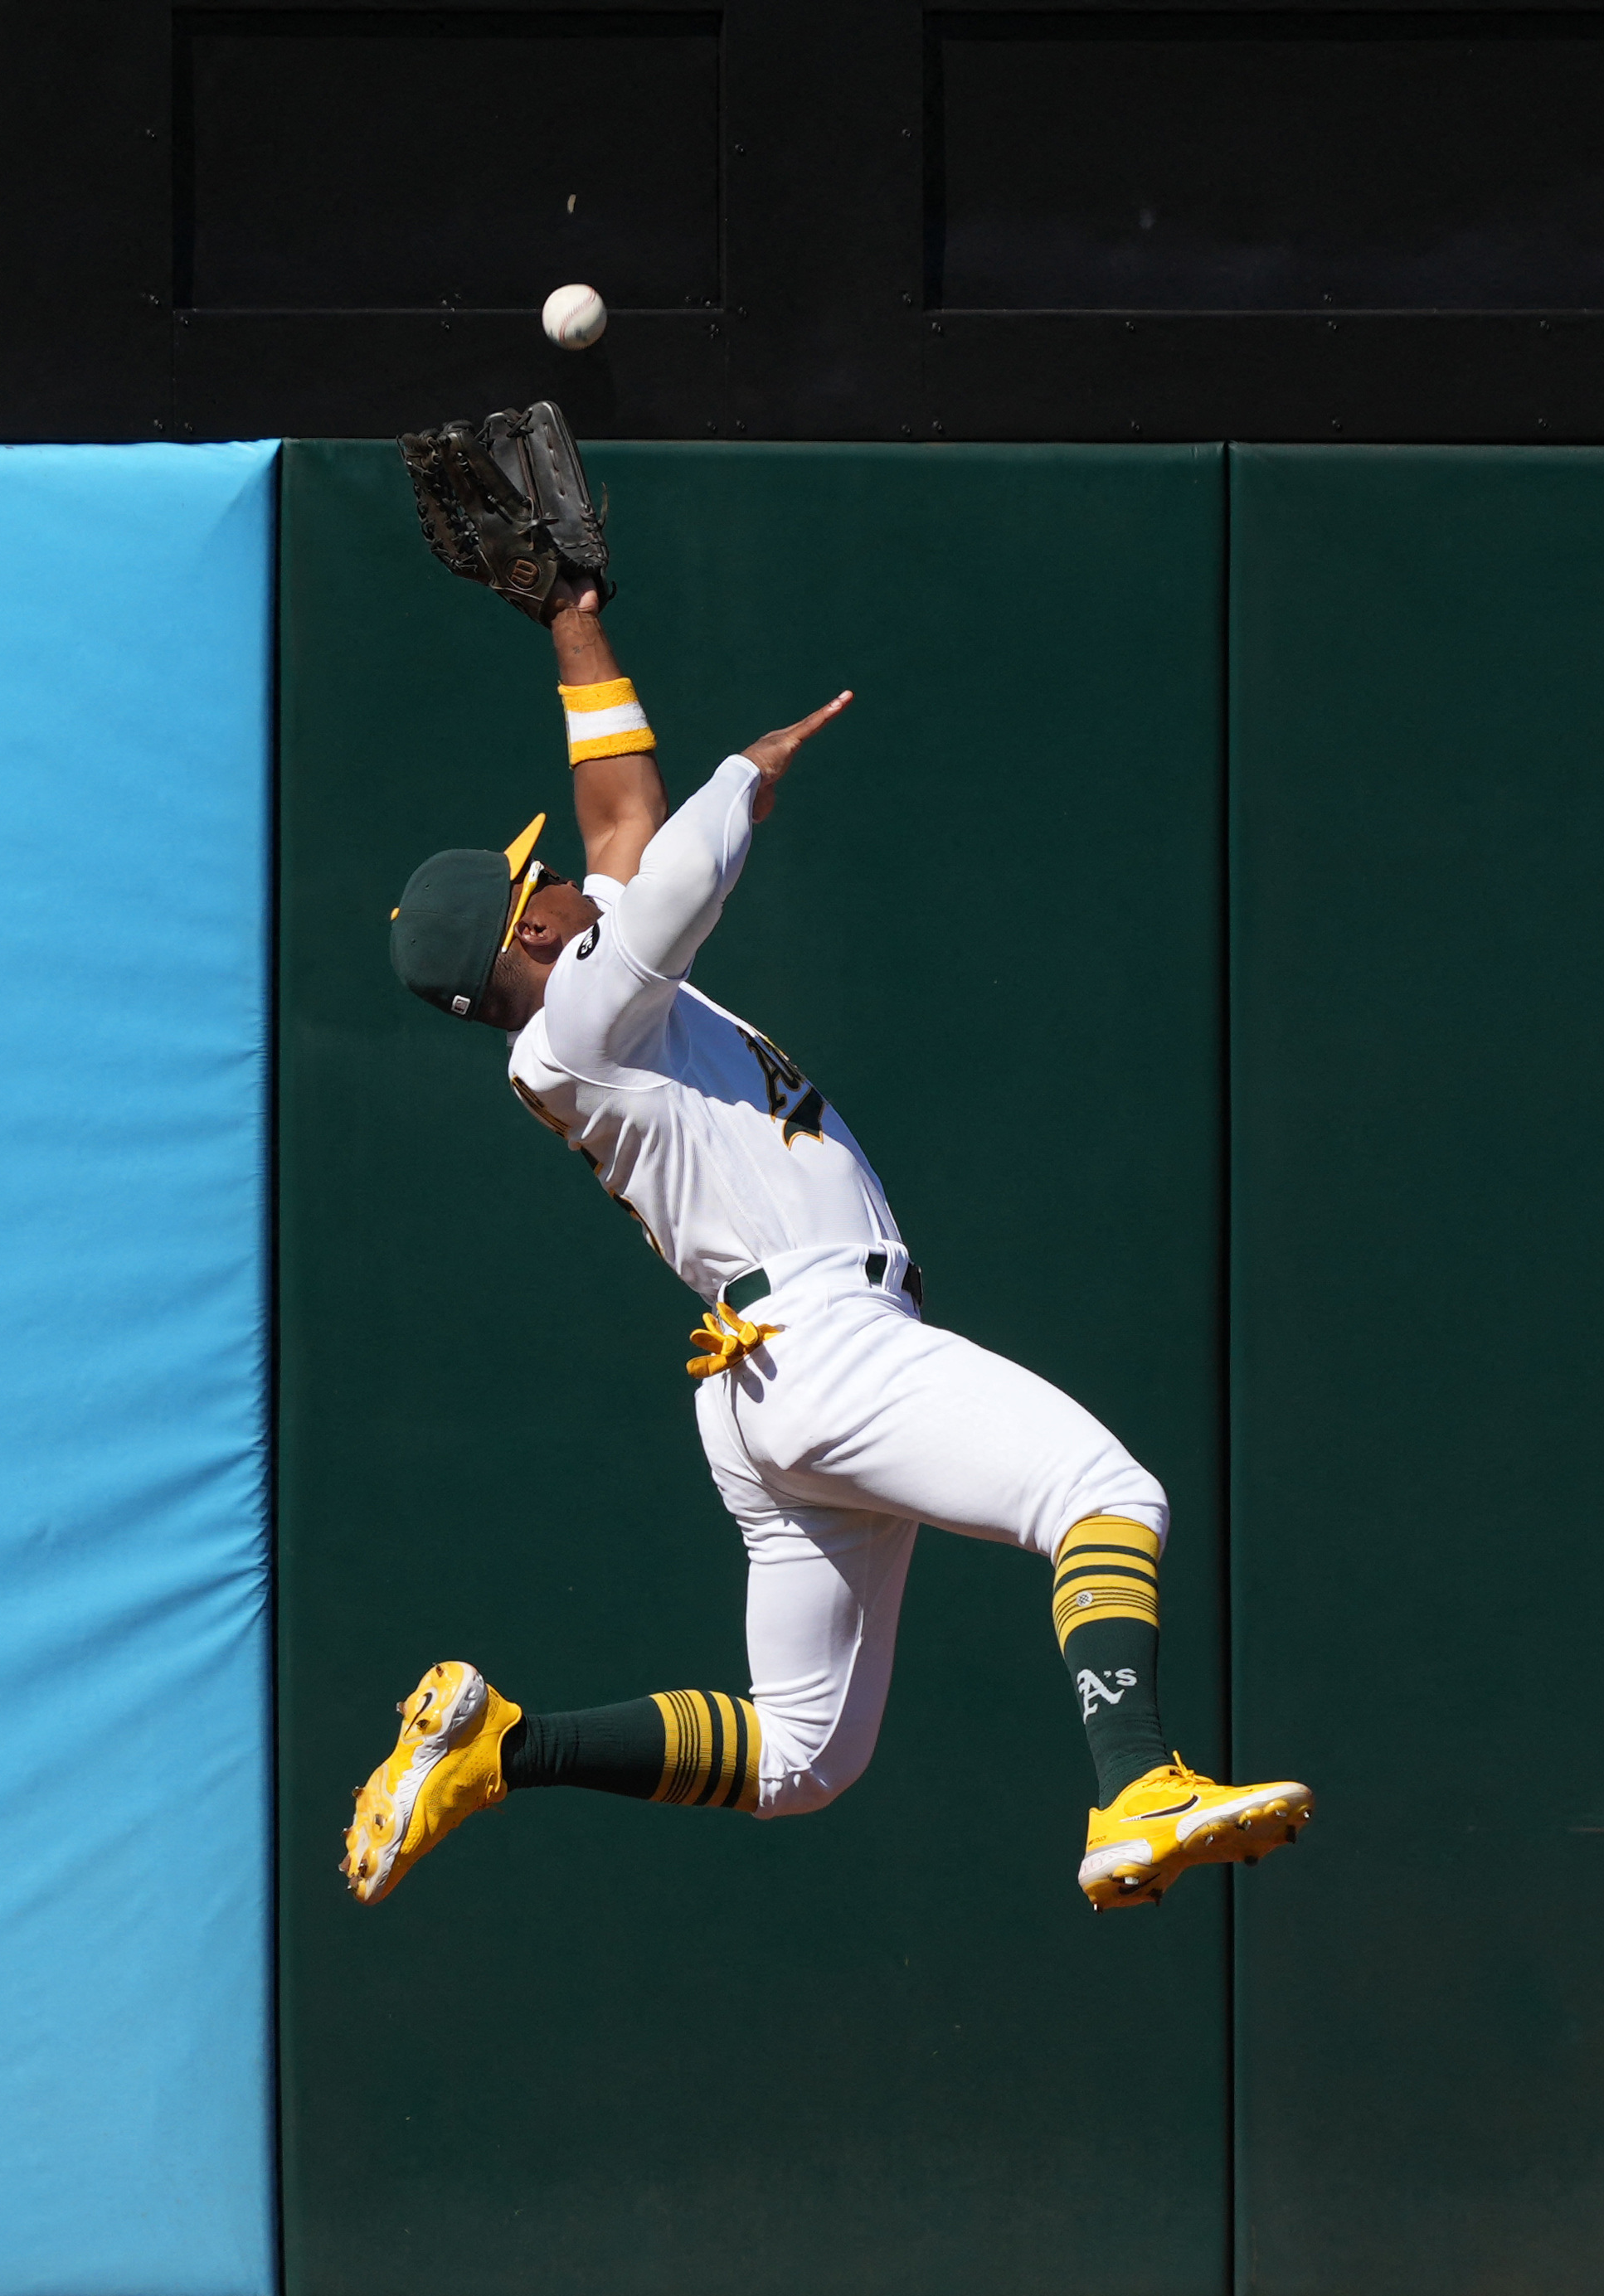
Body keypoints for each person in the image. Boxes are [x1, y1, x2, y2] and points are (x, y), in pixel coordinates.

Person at [350, 428, 1312, 1913]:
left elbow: (616, 823)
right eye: (536, 883)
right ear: (528, 936)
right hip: (821, 1334)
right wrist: (750, 772)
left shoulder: (583, 1008)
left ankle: (500, 1748)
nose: (558, 877)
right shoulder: (586, 1025)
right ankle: (1136, 1787)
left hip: (761, 1383)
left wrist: (572, 617)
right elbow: (668, 866)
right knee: (1105, 1489)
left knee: (804, 1759)